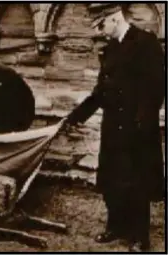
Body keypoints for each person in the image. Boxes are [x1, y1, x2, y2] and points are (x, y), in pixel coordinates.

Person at [64, 5, 165, 252]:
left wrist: (142, 122)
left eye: (101, 26)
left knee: (137, 183)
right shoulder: (110, 50)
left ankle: (141, 237)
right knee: (111, 180)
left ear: (114, 19)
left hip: (138, 127)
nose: (100, 32)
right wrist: (76, 116)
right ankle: (115, 226)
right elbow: (101, 91)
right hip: (113, 126)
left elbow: (157, 87)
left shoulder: (145, 42)